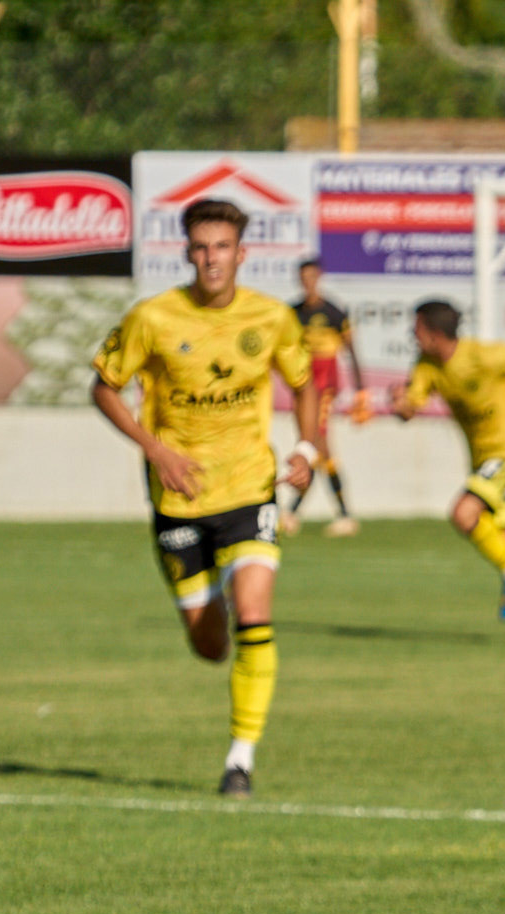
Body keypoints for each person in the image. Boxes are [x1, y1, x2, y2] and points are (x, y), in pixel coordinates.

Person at [91, 197, 318, 798]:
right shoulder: (153, 318)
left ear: (241, 254)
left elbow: (306, 384)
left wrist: (308, 450)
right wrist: (156, 450)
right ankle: (207, 597)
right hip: (179, 500)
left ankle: (239, 760)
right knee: (210, 644)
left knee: (254, 615)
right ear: (187, 253)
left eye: (222, 247)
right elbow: (105, 388)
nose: (211, 258)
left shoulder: (271, 318)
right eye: (200, 247)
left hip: (250, 488)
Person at [390, 300, 505, 644]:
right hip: (481, 461)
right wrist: (399, 404)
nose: (413, 335)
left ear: (433, 332)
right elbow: (411, 407)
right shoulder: (427, 365)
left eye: (417, 329)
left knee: (463, 513)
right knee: (504, 544)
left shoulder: (483, 355)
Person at [282, 258, 368, 538]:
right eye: (302, 278)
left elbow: (351, 350)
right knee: (316, 448)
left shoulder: (332, 311)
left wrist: (361, 391)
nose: (307, 283)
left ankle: (299, 514)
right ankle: (333, 515)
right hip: (302, 386)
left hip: (324, 387)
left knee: (316, 443)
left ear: (319, 278)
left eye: (311, 277)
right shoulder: (292, 312)